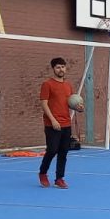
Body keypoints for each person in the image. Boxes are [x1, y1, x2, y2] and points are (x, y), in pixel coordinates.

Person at [39, 57, 82, 189]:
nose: (61, 69)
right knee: (52, 150)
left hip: (66, 124)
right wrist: (52, 120)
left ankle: (59, 178)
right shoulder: (47, 84)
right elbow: (44, 103)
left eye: (63, 67)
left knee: (63, 152)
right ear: (53, 69)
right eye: (58, 67)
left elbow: (70, 103)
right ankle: (43, 173)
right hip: (52, 124)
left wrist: (79, 108)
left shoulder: (68, 85)